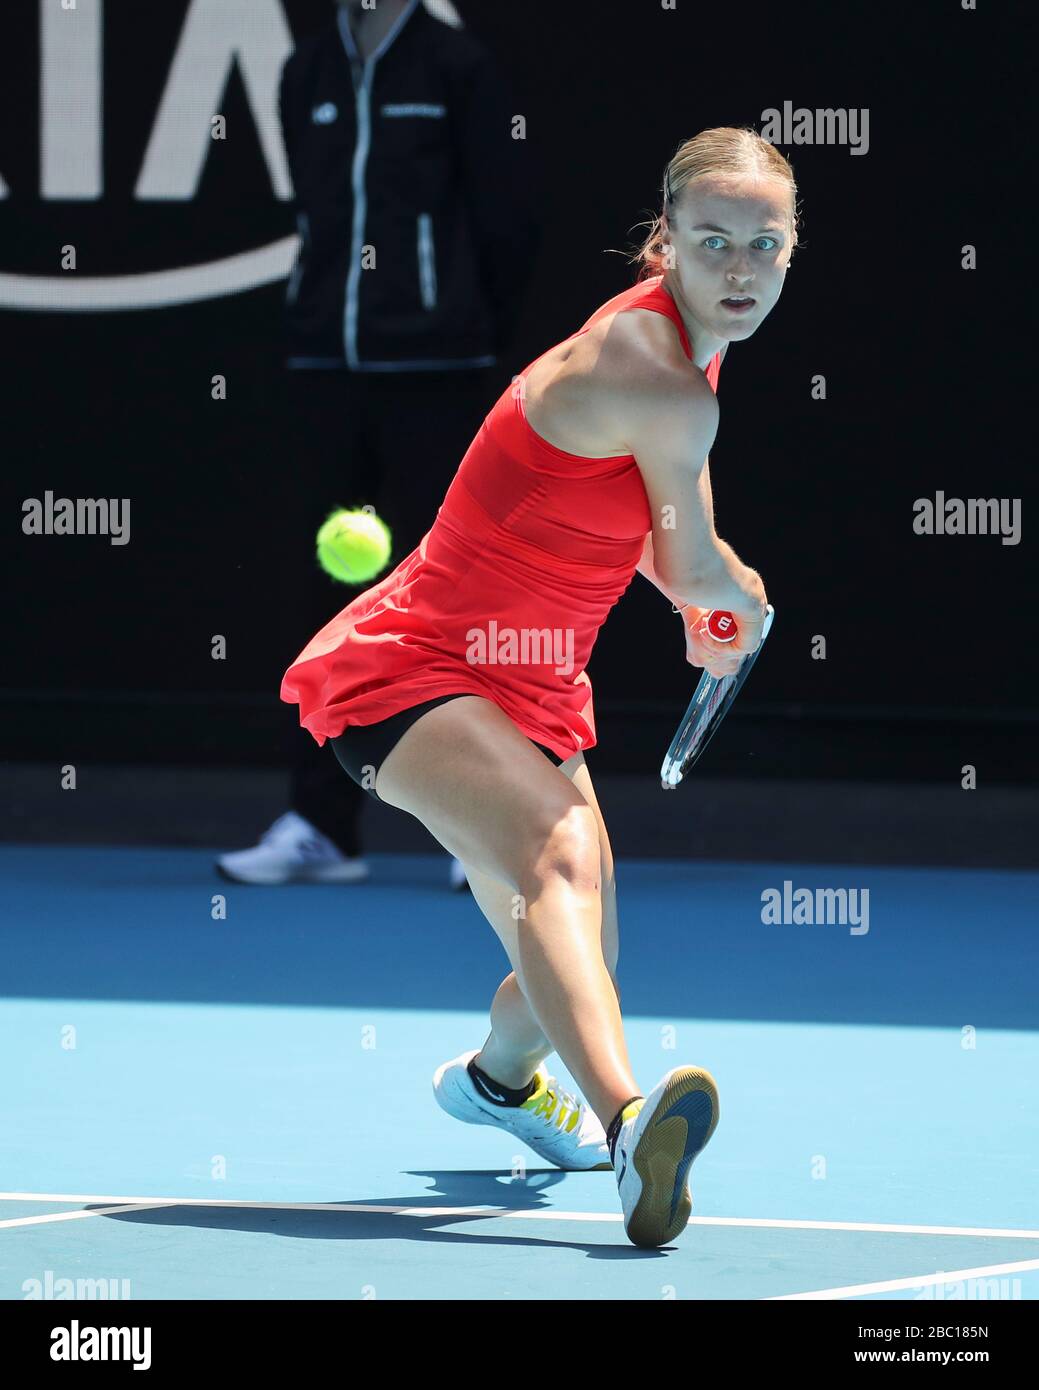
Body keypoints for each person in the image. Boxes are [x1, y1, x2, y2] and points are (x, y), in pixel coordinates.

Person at [281, 126, 799, 1248]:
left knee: (576, 950)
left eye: (767, 245)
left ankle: (498, 1083)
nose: (742, 269)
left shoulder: (684, 359)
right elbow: (698, 561)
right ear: (665, 244)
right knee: (556, 867)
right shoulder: (656, 372)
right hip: (415, 663)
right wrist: (734, 603)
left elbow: (664, 542)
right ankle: (628, 1125)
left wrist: (710, 598)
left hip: (532, 681)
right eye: (714, 243)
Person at [217, 0, 541, 889]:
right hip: (327, 365)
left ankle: (480, 824)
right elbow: (316, 215)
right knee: (335, 592)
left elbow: (505, 221)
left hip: (440, 369)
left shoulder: (458, 68)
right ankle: (322, 825)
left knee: (461, 593)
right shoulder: (304, 72)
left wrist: (462, 330)